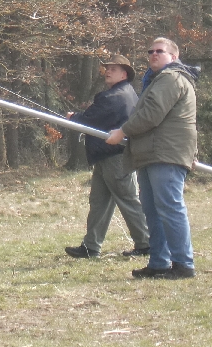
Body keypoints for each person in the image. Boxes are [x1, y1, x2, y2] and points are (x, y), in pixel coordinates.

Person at [106, 38, 199, 279]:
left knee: (169, 207)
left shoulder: (171, 78)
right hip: (151, 153)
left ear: (174, 57)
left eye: (160, 51)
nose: (154, 54)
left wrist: (123, 131)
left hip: (165, 154)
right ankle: (159, 262)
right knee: (153, 211)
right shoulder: (157, 80)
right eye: (151, 51)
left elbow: (151, 114)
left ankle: (183, 264)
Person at [64, 54, 150, 259]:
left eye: (113, 69)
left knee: (128, 200)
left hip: (116, 157)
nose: (108, 71)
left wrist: (73, 117)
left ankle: (147, 243)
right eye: (107, 68)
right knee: (99, 202)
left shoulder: (114, 97)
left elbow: (90, 119)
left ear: (124, 74)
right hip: (106, 156)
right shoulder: (126, 93)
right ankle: (91, 246)